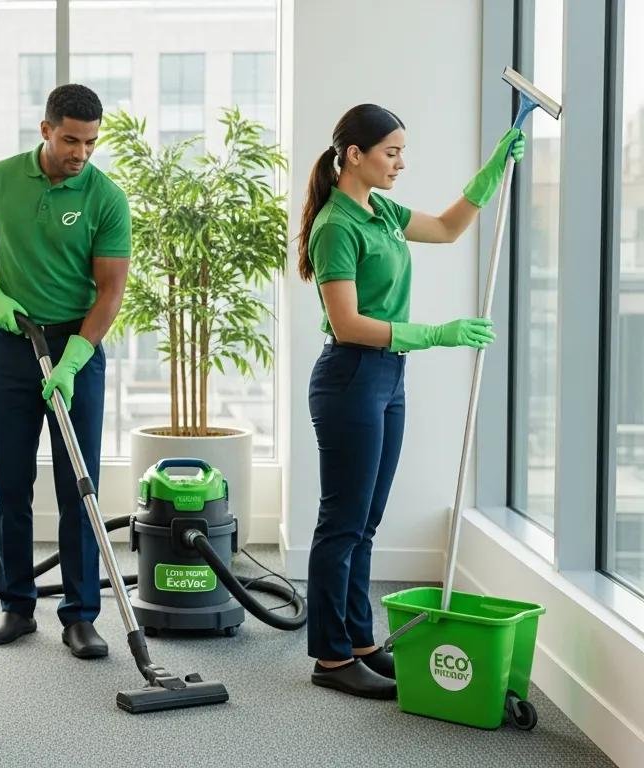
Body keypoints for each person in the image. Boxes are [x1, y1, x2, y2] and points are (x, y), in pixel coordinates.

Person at [297, 103, 522, 698]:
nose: (401, 162)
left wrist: (490, 174)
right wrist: (437, 333)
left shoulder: (383, 211)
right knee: (341, 523)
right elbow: (346, 324)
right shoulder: (336, 227)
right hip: (350, 376)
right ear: (354, 155)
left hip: (388, 377)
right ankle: (329, 657)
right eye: (391, 152)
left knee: (366, 521)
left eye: (402, 151)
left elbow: (447, 229)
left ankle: (360, 642)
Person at [0, 83, 131, 659]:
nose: (82, 152)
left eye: (91, 142)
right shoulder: (0, 178)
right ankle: (16, 605)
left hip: (76, 345)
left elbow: (110, 290)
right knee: (10, 481)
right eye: (72, 139)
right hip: (12, 343)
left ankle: (80, 615)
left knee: (79, 487)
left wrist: (77, 356)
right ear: (46, 129)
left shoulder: (105, 197)